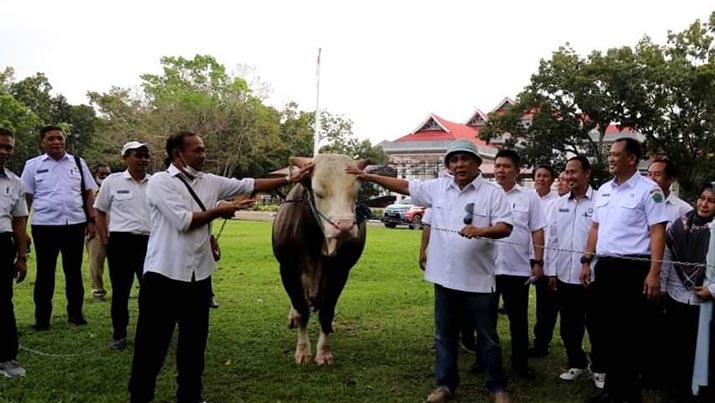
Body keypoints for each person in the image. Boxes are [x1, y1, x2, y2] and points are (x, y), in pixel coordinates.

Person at [128, 131, 313, 403]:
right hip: (163, 277)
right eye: (197, 150)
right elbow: (183, 221)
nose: (203, 154)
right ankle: (140, 397)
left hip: (199, 278)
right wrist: (221, 210)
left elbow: (248, 184)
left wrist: (290, 178)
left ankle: (190, 396)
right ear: (178, 154)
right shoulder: (160, 182)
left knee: (193, 347)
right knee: (151, 347)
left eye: (204, 149)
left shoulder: (210, 181)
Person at [347, 138, 513, 403]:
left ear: (477, 163)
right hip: (444, 278)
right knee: (444, 336)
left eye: (465, 159)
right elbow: (404, 185)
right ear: (448, 165)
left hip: (478, 281)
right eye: (454, 160)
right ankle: (445, 385)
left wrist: (480, 230)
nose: (460, 164)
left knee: (488, 337)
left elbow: (505, 227)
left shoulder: (493, 194)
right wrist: (369, 177)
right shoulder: (438, 188)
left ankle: (497, 387)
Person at [581, 137, 668, 403]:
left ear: (632, 158)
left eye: (616, 154)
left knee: (629, 334)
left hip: (633, 269)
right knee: (605, 331)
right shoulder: (604, 190)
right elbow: (595, 227)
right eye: (610, 154)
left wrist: (654, 273)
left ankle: (629, 394)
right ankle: (613, 390)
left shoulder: (649, 190)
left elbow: (657, 232)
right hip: (605, 267)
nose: (611, 158)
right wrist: (586, 261)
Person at [20, 125, 97, 330]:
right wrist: (22, 229)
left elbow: (89, 193)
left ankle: (76, 315)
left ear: (65, 141)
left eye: (60, 138)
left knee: (73, 272)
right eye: (51, 139)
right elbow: (26, 198)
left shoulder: (78, 163)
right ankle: (42, 319)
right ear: (42, 142)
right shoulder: (32, 165)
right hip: (44, 225)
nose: (56, 142)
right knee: (45, 274)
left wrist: (92, 221)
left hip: (74, 224)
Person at [545, 156, 605, 389]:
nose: (569, 177)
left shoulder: (600, 201)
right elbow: (552, 239)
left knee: (597, 325)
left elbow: (604, 236)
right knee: (569, 325)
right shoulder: (559, 204)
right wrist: (551, 272)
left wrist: (590, 263)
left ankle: (600, 368)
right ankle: (577, 363)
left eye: (574, 172)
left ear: (587, 173)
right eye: (566, 172)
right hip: (564, 274)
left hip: (592, 276)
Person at [494, 149, 546, 379]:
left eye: (506, 166)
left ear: (517, 170)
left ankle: (520, 365)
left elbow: (537, 231)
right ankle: (484, 361)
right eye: (497, 166)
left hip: (517, 268)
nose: (500, 170)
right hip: (488, 267)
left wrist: (538, 261)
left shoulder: (529, 198)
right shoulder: (487, 194)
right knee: (485, 319)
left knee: (518, 320)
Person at [94, 142, 151, 350]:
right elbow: (99, 211)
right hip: (120, 242)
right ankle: (119, 335)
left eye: (146, 156)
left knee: (150, 291)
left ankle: (149, 334)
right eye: (138, 155)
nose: (144, 160)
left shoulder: (156, 183)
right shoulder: (112, 181)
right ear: (125, 158)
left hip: (149, 243)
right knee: (120, 291)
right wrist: (105, 238)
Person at [661, 182, 714, 402]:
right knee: (677, 347)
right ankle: (677, 391)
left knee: (701, 350)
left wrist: (712, 290)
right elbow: (665, 257)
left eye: (711, 201)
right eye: (702, 198)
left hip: (706, 303)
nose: (704, 204)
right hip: (677, 295)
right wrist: (663, 288)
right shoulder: (679, 225)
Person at [0, 128, 29, 378]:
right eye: (0, 145)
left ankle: (7, 358)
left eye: (8, 147)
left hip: (2, 244)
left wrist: (22, 257)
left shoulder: (15, 181)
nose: (4, 151)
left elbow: (20, 222)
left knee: (2, 302)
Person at [530, 164, 560, 357]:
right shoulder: (528, 198)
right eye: (538, 175)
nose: (541, 179)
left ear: (551, 179)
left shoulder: (557, 202)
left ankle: (542, 342)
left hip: (545, 258)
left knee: (546, 304)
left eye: (545, 176)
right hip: (523, 256)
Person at [86, 162, 111, 300]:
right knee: (96, 262)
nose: (105, 176)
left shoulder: (112, 186)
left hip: (114, 229)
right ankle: (97, 291)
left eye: (108, 173)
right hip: (95, 231)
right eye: (102, 174)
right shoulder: (90, 189)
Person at [647, 158, 692, 227]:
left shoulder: (683, 209)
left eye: (657, 174)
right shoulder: (638, 203)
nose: (651, 179)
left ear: (670, 179)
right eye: (649, 174)